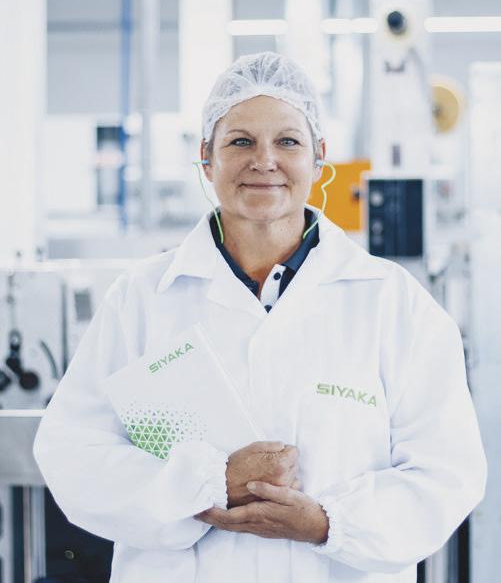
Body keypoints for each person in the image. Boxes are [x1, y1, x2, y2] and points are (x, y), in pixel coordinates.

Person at [33, 52, 487, 583]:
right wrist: (210, 482)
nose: (264, 161)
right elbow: (74, 456)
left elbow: (446, 473)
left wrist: (327, 523)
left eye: (288, 141)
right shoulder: (140, 300)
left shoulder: (394, 304)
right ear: (206, 158)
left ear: (319, 158)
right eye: (240, 141)